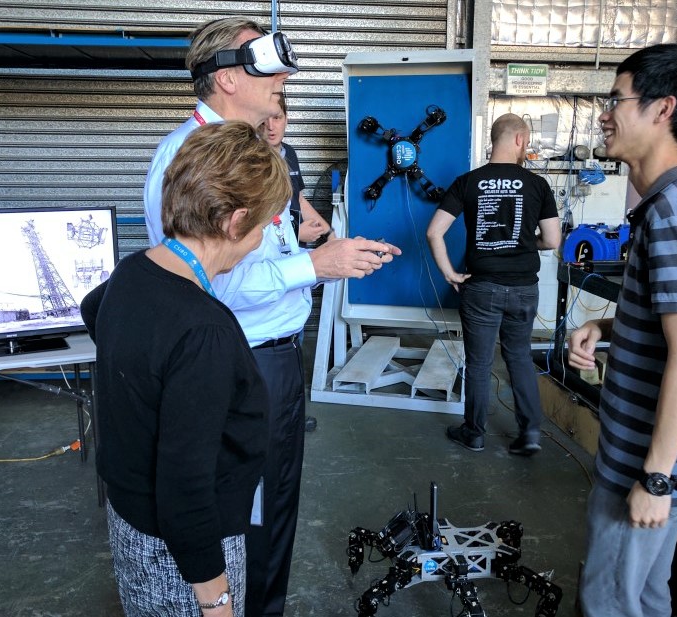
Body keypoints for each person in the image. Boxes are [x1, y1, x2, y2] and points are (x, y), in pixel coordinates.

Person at [142, 17, 400, 617]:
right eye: (269, 70)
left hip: (276, 361)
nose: (283, 80)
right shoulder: (188, 161)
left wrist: (321, 250)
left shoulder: (250, 154)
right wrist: (317, 266)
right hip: (241, 363)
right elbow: (210, 285)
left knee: (275, 509)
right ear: (228, 78)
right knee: (243, 521)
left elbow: (270, 246)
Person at [82, 120, 292, 617]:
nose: (262, 239)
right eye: (263, 225)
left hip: (130, 520)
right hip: (185, 559)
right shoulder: (205, 331)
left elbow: (95, 311)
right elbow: (186, 490)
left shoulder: (135, 271)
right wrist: (215, 599)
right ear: (235, 222)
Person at [567, 44, 677, 617]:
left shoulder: (673, 218)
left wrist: (655, 479)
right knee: (646, 595)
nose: (605, 113)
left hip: (648, 461)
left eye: (617, 99)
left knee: (611, 602)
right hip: (666, 457)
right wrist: (607, 326)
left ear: (664, 109)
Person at [426, 113, 561, 456]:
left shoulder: (467, 182)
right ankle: (529, 433)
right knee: (518, 357)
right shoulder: (537, 185)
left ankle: (474, 433)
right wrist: (526, 243)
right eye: (527, 141)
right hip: (524, 289)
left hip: (481, 287)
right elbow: (553, 240)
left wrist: (450, 274)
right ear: (518, 139)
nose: (526, 147)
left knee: (480, 363)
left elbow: (434, 232)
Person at [261, 94, 333, 245]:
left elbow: (298, 199)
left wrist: (330, 234)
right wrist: (295, 232)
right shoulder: (250, 161)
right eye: (263, 119)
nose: (270, 126)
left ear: (286, 119)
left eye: (277, 118)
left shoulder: (290, 152)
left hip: (296, 250)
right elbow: (252, 218)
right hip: (273, 254)